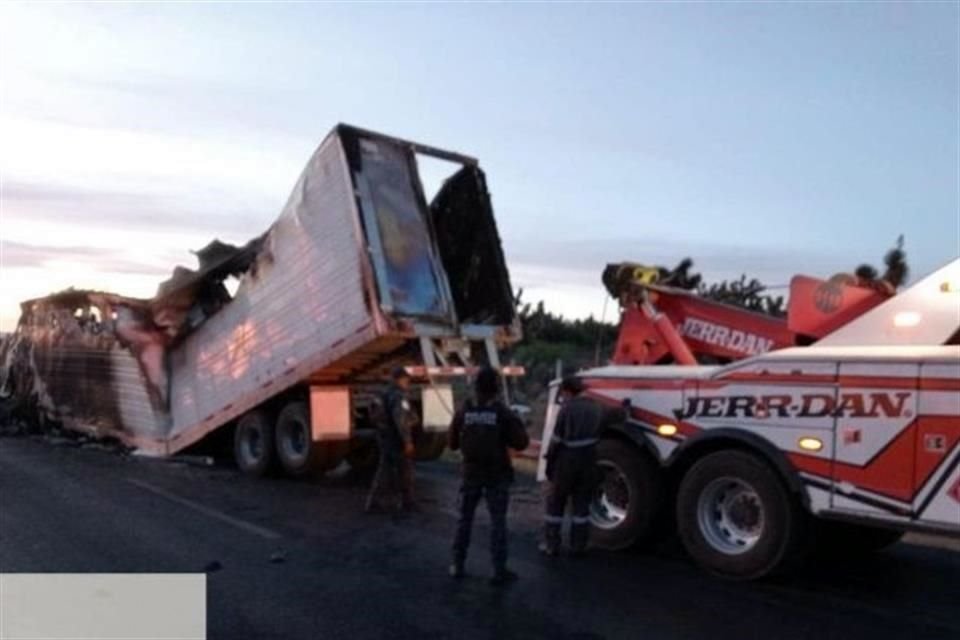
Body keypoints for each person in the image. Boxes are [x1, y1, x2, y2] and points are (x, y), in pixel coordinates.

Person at [448, 367, 529, 586]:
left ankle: (457, 564)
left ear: (476, 386)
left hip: (471, 473)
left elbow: (452, 443)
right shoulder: (502, 412)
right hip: (496, 474)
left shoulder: (464, 410)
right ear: (496, 387)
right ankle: (498, 570)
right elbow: (521, 443)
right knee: (497, 523)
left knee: (464, 520)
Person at [541, 376, 621, 557]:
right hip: (589, 459)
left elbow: (557, 440)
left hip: (567, 460)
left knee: (556, 503)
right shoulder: (596, 407)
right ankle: (578, 545)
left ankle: (552, 544)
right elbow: (617, 416)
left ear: (567, 391)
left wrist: (549, 462)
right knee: (582, 504)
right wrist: (626, 408)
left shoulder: (566, 409)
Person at [365, 366, 418, 513]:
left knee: (384, 471)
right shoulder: (398, 396)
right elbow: (401, 420)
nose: (407, 382)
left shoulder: (384, 393)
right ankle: (408, 502)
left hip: (385, 437)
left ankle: (374, 502)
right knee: (405, 470)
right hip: (396, 439)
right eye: (405, 379)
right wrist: (407, 441)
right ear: (398, 380)